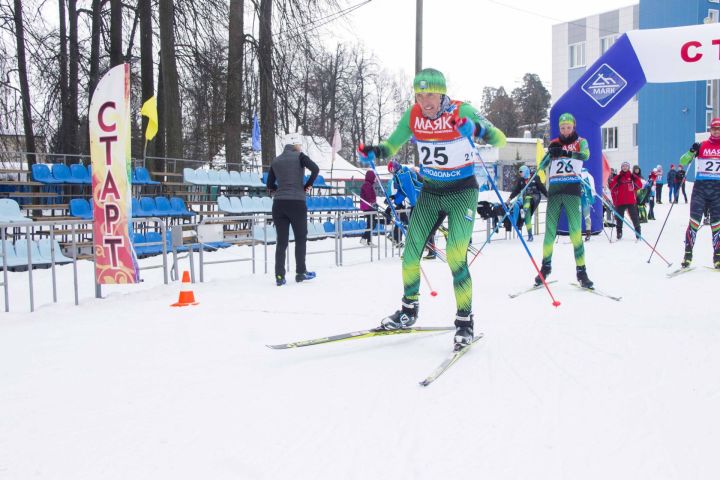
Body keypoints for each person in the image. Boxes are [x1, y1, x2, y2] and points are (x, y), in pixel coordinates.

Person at [357, 67, 507, 348]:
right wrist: (374, 151)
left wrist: (475, 129)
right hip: (430, 191)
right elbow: (390, 146)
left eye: (431, 95)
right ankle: (408, 310)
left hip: (462, 192)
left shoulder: (463, 111)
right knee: (411, 252)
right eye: (420, 94)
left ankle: (465, 321)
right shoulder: (413, 115)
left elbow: (500, 138)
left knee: (455, 256)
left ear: (442, 94)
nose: (425, 101)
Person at [534, 113, 593, 289]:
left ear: (573, 126)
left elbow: (586, 156)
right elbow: (542, 165)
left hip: (572, 190)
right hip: (555, 191)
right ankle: (545, 268)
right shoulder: (553, 143)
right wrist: (547, 157)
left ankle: (581, 272)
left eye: (568, 127)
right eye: (562, 128)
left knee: (575, 232)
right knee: (549, 233)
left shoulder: (581, 141)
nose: (565, 130)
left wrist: (566, 152)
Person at [266, 134, 320, 286]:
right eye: (299, 145)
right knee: (300, 238)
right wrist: (306, 186)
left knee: (281, 241)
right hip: (297, 202)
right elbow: (315, 169)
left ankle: (279, 276)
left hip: (279, 204)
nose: (300, 147)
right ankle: (300, 272)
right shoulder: (300, 157)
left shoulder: (276, 160)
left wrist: (280, 190)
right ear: (296, 145)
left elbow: (269, 185)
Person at [678, 117, 720, 269]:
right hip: (701, 188)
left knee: (717, 224)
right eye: (714, 128)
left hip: (717, 189)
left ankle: (718, 257)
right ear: (710, 130)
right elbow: (683, 162)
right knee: (694, 222)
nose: (717, 131)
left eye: (719, 129)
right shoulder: (702, 145)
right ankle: (687, 255)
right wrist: (691, 151)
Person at [506, 165, 548, 242]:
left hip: (535, 198)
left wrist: (548, 196)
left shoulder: (535, 177)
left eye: (521, 172)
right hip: (526, 200)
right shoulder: (521, 180)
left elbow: (542, 188)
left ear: (526, 171)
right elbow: (516, 190)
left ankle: (524, 210)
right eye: (519, 172)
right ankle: (530, 235)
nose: (520, 174)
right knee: (527, 218)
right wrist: (510, 198)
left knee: (528, 199)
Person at [609, 161, 643, 240]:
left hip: (630, 200)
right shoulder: (618, 177)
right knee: (619, 217)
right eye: (623, 166)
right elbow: (612, 187)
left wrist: (635, 181)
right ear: (621, 168)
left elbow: (639, 185)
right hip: (620, 201)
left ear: (628, 167)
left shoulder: (632, 176)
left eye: (626, 166)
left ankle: (638, 233)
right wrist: (615, 182)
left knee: (634, 217)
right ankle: (619, 233)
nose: (625, 167)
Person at [359, 169, 378, 246]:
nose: (375, 179)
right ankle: (363, 238)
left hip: (370, 206)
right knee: (371, 224)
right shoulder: (367, 185)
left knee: (371, 224)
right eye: (374, 177)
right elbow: (368, 196)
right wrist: (373, 202)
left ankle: (369, 241)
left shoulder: (369, 184)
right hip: (368, 207)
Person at [579, 167, 596, 240]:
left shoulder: (589, 177)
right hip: (578, 200)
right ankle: (577, 233)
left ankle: (588, 232)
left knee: (587, 216)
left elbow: (592, 189)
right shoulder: (576, 176)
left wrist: (591, 198)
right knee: (577, 217)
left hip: (586, 200)